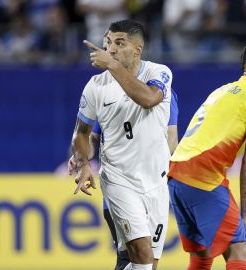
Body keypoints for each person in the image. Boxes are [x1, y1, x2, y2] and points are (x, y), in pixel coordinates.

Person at [167, 43, 246, 270]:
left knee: (202, 256)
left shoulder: (223, 90)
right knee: (239, 253)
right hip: (202, 176)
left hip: (176, 175)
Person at [72, 20, 173, 270]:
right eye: (108, 42)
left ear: (137, 49)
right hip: (119, 179)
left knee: (149, 264)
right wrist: (84, 163)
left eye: (119, 43)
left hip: (156, 181)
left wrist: (113, 66)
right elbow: (81, 134)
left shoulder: (159, 73)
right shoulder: (96, 86)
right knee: (141, 251)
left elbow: (148, 99)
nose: (111, 49)